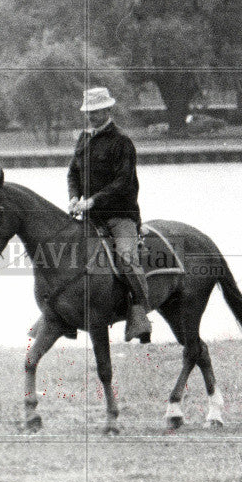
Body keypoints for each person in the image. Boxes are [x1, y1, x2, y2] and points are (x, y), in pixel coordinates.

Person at [67, 86, 152, 342]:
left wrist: (92, 201)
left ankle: (140, 313)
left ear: (107, 110)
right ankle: (61, 315)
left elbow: (124, 182)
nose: (92, 116)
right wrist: (73, 197)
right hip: (90, 217)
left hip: (120, 215)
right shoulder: (83, 139)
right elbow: (73, 173)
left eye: (96, 111)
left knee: (127, 259)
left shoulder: (122, 142)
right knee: (61, 254)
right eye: (89, 112)